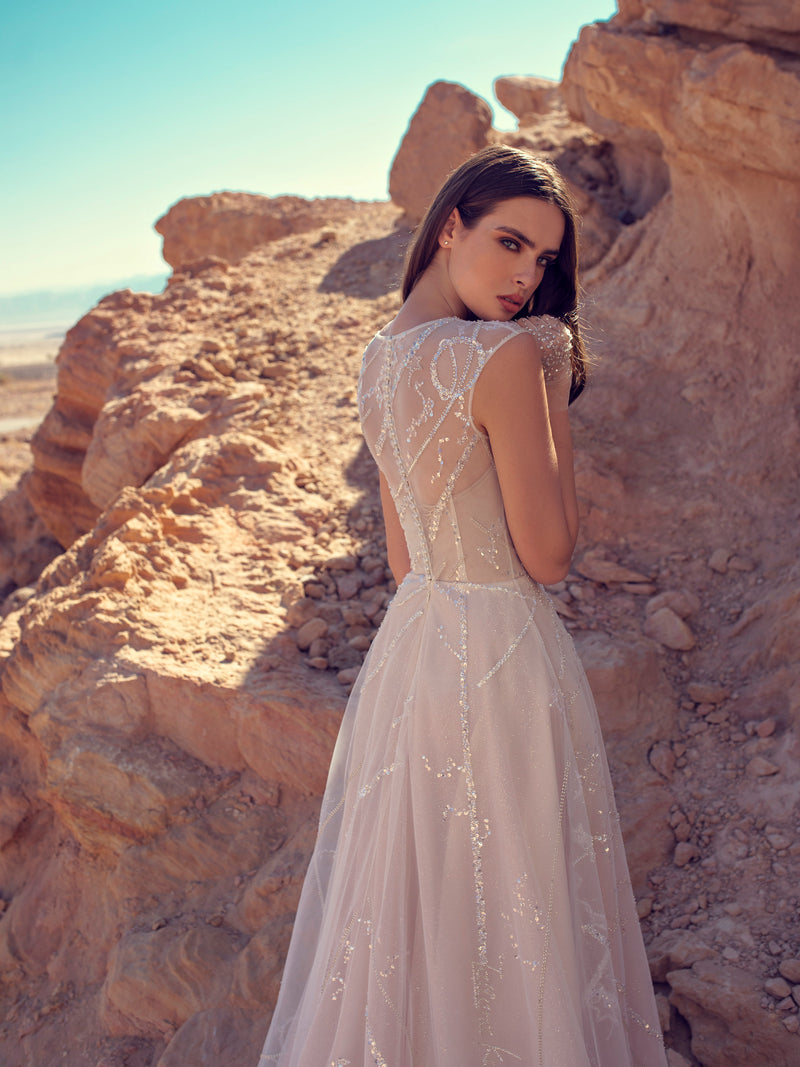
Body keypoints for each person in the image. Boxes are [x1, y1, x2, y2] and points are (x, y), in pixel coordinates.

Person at [259, 145, 667, 1066]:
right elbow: (552, 555)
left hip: (414, 658)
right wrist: (551, 390)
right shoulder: (505, 356)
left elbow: (407, 558)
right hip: (502, 654)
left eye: (546, 262)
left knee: (420, 907)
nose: (527, 275)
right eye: (511, 243)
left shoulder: (377, 360)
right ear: (451, 227)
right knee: (515, 909)